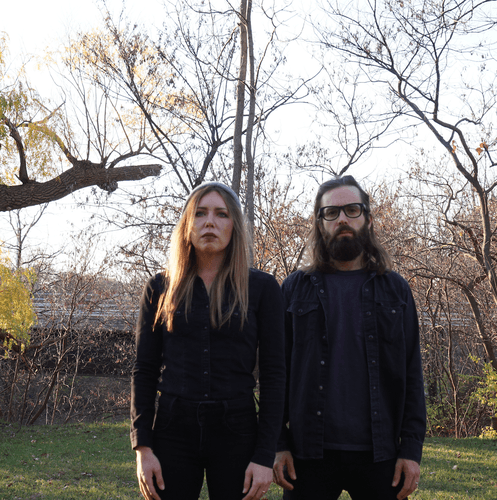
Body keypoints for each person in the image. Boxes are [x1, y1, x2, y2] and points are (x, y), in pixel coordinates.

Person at [273, 175, 426, 500]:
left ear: (367, 219)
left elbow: (413, 373)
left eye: (352, 210)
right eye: (332, 212)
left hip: (381, 454)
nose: (342, 218)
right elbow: (276, 373)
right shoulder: (294, 288)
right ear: (320, 223)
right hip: (307, 454)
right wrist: (278, 443)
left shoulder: (395, 289)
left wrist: (411, 450)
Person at [131, 182, 285, 500]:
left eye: (221, 214)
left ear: (234, 225)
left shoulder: (262, 288)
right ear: (187, 225)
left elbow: (274, 375)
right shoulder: (160, 288)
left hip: (237, 430)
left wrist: (264, 454)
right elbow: (144, 369)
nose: (210, 222)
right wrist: (143, 447)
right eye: (200, 213)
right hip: (172, 429)